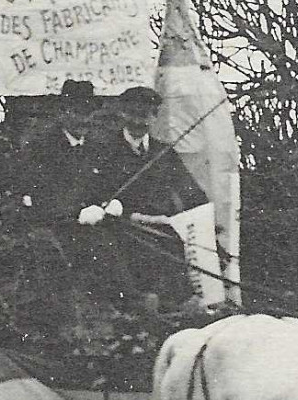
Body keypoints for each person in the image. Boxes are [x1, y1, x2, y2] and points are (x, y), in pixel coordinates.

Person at [81, 85, 207, 309]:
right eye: (133, 115)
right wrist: (104, 206)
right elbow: (90, 191)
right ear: (122, 114)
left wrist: (204, 215)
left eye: (145, 116)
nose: (138, 122)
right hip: (123, 229)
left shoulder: (163, 152)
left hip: (161, 228)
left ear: (155, 116)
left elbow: (190, 191)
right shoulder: (104, 150)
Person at [12, 79, 104, 227]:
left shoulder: (97, 148)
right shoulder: (42, 148)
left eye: (89, 112)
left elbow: (101, 189)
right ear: (62, 112)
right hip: (54, 230)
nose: (85, 119)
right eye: (78, 112)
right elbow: (42, 197)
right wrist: (77, 215)